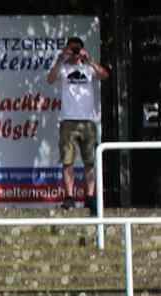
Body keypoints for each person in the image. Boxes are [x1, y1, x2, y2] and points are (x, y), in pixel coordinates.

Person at [46, 37, 110, 211]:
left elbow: (104, 75)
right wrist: (61, 58)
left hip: (88, 121)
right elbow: (50, 79)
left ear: (82, 50)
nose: (74, 53)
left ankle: (90, 197)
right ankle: (69, 197)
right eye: (71, 49)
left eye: (77, 49)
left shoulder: (88, 68)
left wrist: (89, 60)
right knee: (68, 162)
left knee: (90, 162)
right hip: (67, 120)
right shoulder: (63, 68)